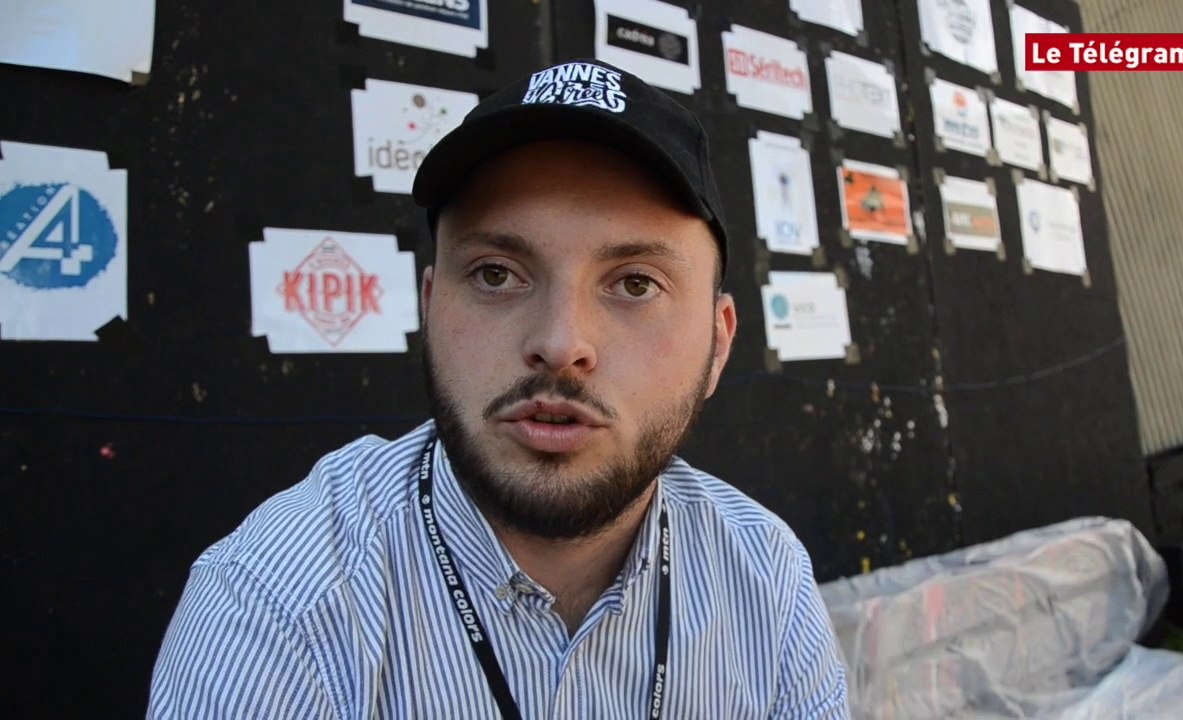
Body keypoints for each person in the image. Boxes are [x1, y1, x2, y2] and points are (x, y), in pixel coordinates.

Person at [148, 59, 848, 718]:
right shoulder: (277, 605)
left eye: (636, 283)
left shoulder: (766, 579)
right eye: (495, 273)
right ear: (429, 308)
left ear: (719, 342)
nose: (561, 342)